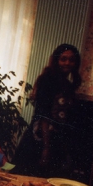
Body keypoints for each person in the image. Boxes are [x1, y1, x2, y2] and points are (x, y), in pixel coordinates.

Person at [12, 43, 83, 178]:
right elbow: (43, 115)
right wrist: (46, 148)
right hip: (39, 139)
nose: (67, 63)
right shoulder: (47, 80)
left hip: (55, 140)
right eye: (63, 59)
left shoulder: (67, 85)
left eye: (71, 60)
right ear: (56, 60)